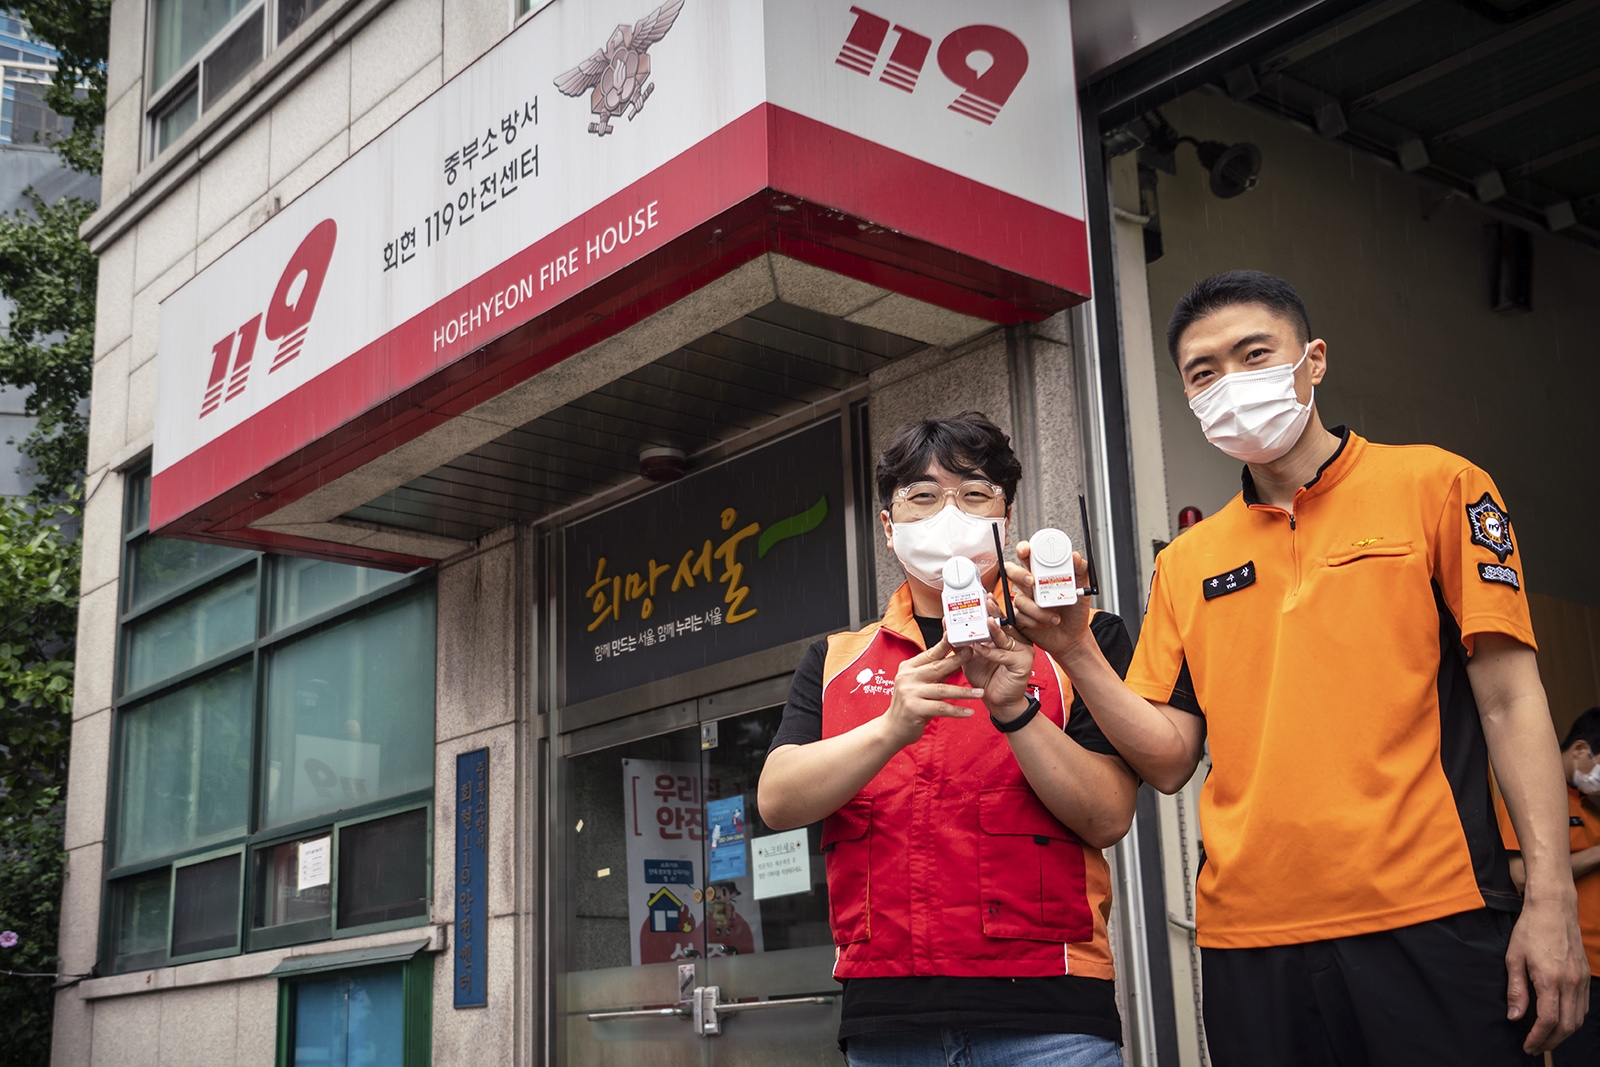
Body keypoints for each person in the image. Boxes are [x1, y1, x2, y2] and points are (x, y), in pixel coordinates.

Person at [998, 271, 1588, 1065]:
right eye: (1204, 373)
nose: (1231, 384)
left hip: (1433, 915)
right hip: (1251, 942)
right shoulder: (1185, 561)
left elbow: (1513, 703)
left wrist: (1549, 899)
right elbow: (1169, 758)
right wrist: (1072, 648)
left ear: (1312, 361)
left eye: (1254, 354)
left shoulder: (1440, 487)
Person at [757, 412, 1139, 1067]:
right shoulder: (834, 658)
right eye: (924, 497)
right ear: (888, 525)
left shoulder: (1079, 637)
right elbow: (778, 798)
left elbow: (1108, 813)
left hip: (1050, 1017)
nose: (948, 514)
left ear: (1007, 515)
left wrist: (1016, 710)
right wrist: (891, 726)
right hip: (887, 1025)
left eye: (973, 493)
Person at [1498, 707, 1600, 1065]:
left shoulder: (1587, 805)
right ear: (1580, 749)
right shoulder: (1532, 799)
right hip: (1572, 962)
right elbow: (1521, 876)